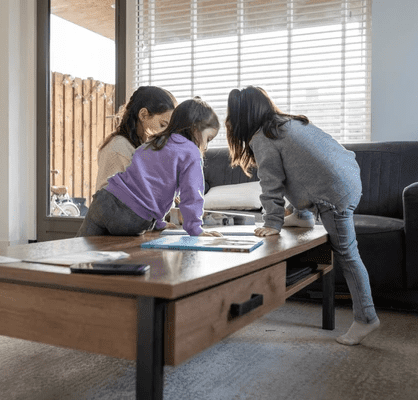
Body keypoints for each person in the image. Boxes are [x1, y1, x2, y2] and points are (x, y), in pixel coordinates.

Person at [225, 86, 379, 346]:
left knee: (348, 254)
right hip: (349, 178)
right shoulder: (290, 123)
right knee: (298, 172)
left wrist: (272, 222)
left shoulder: (263, 137)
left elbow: (271, 183)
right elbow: (305, 167)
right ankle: (302, 214)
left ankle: (366, 318)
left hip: (333, 196)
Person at [77, 97, 223, 238]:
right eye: (208, 139)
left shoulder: (153, 142)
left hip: (104, 200)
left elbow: (144, 180)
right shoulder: (191, 152)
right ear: (195, 128)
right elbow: (192, 193)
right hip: (133, 217)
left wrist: (158, 222)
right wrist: (195, 228)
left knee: (80, 247)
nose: (206, 146)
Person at [95, 86, 177, 191]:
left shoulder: (139, 147)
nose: (166, 133)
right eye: (162, 125)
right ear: (143, 115)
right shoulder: (119, 148)